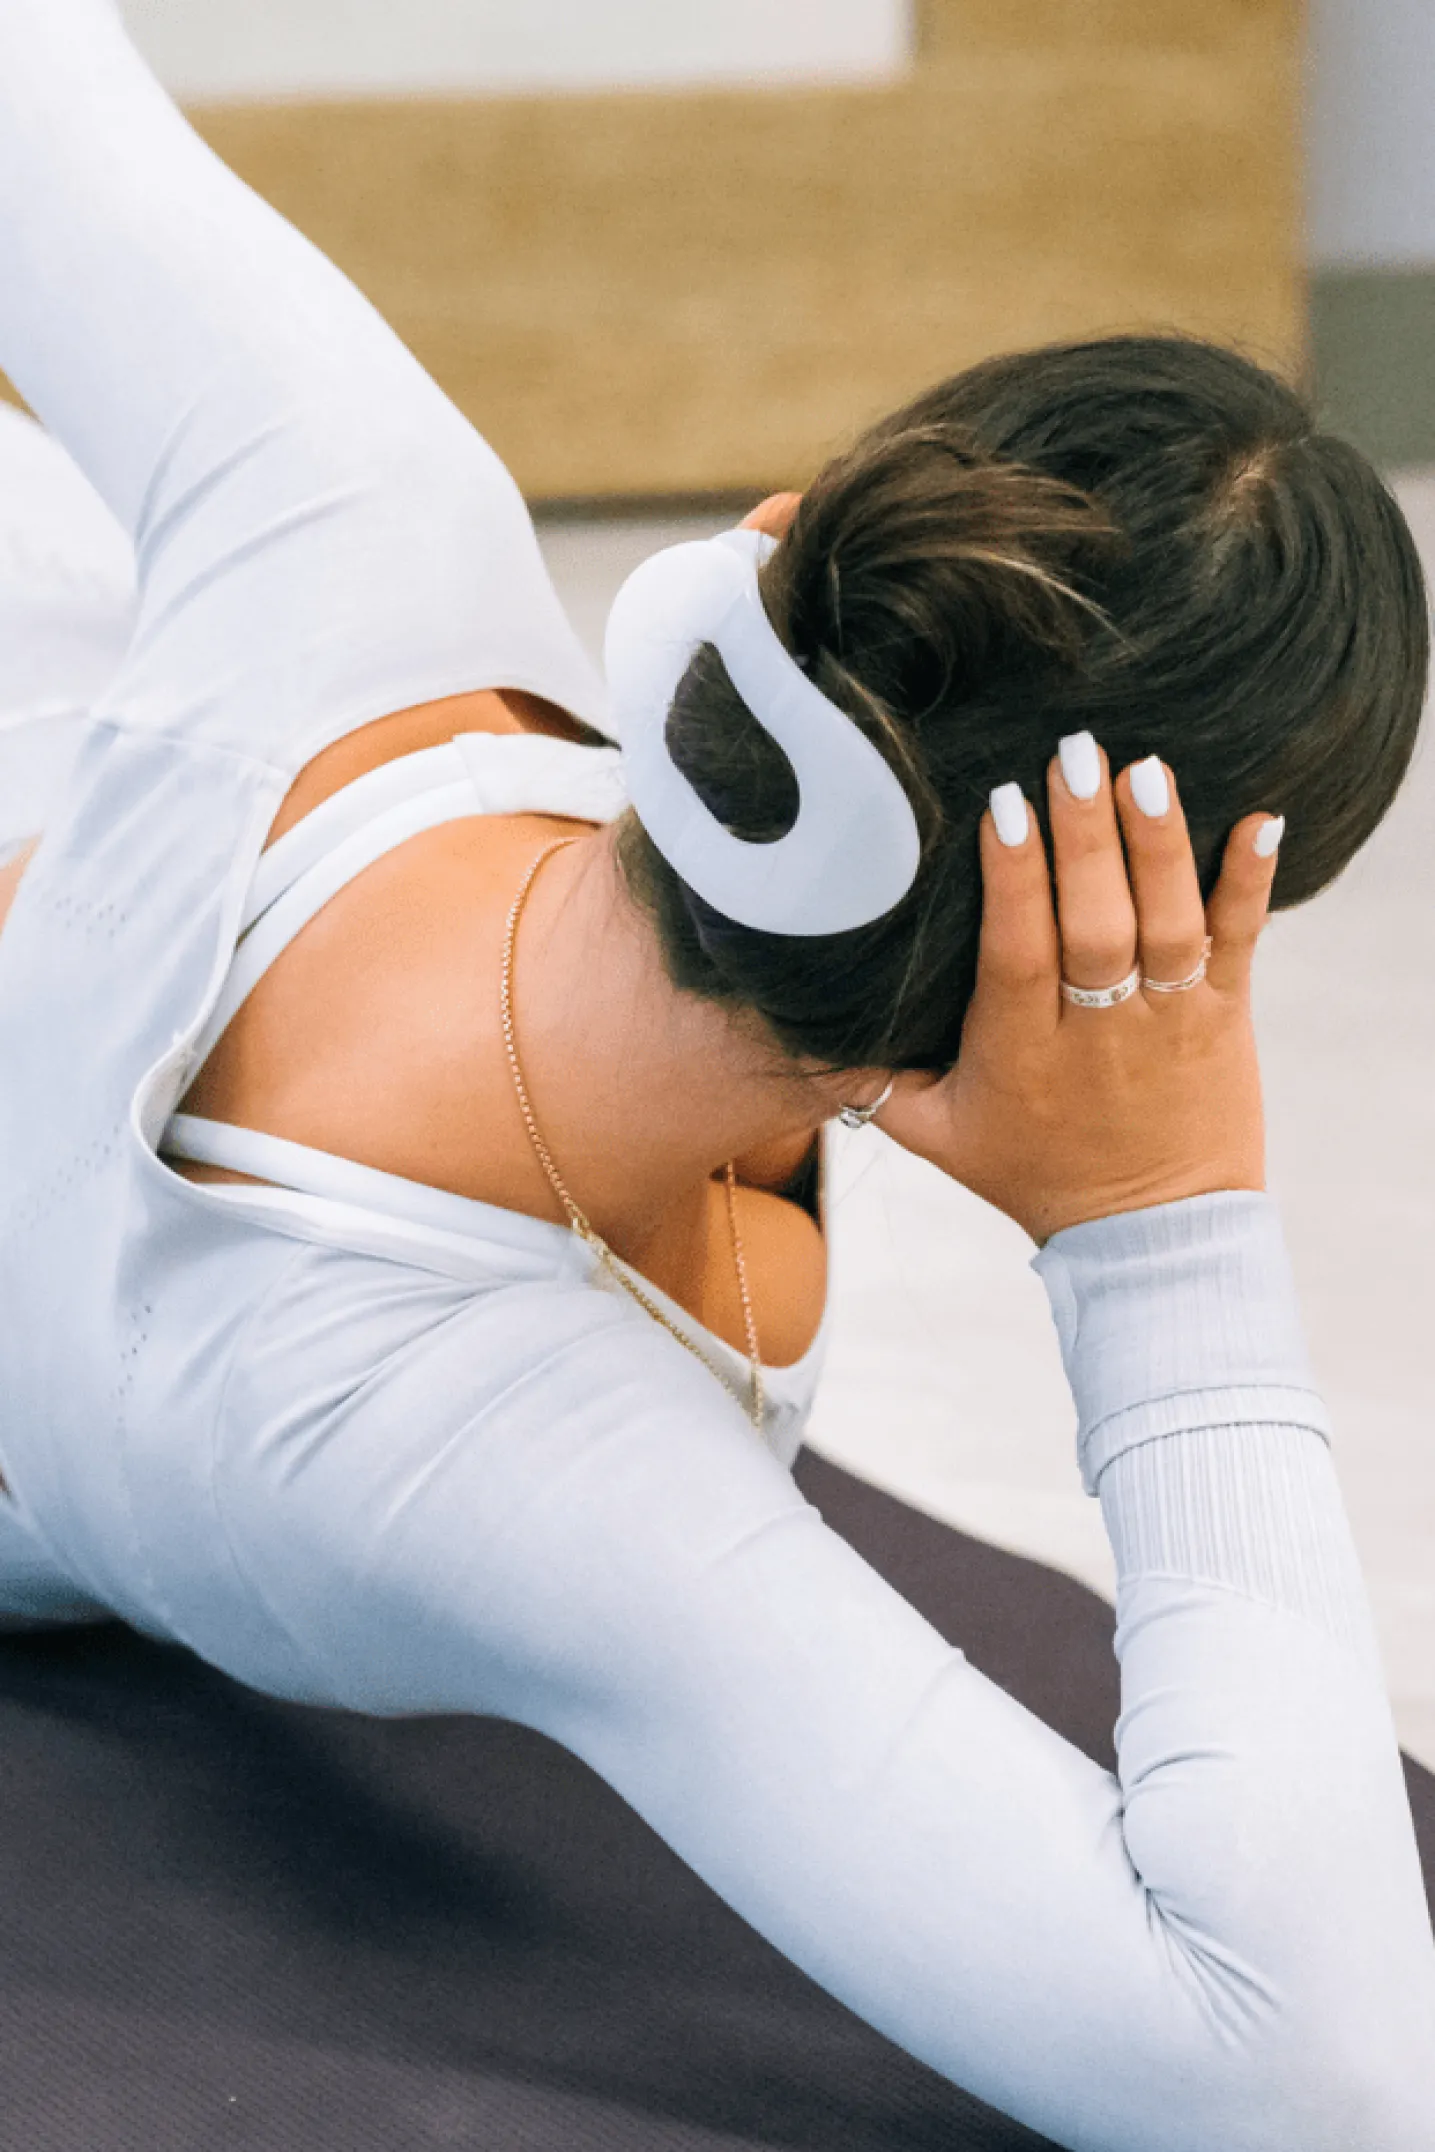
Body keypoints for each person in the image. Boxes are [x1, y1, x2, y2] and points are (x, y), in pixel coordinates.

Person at [0, 4, 1432, 2145]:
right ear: (1172, 952)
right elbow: (1306, 2076)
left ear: (802, 537)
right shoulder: (512, 1454)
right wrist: (1161, 1223)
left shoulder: (369, 531)